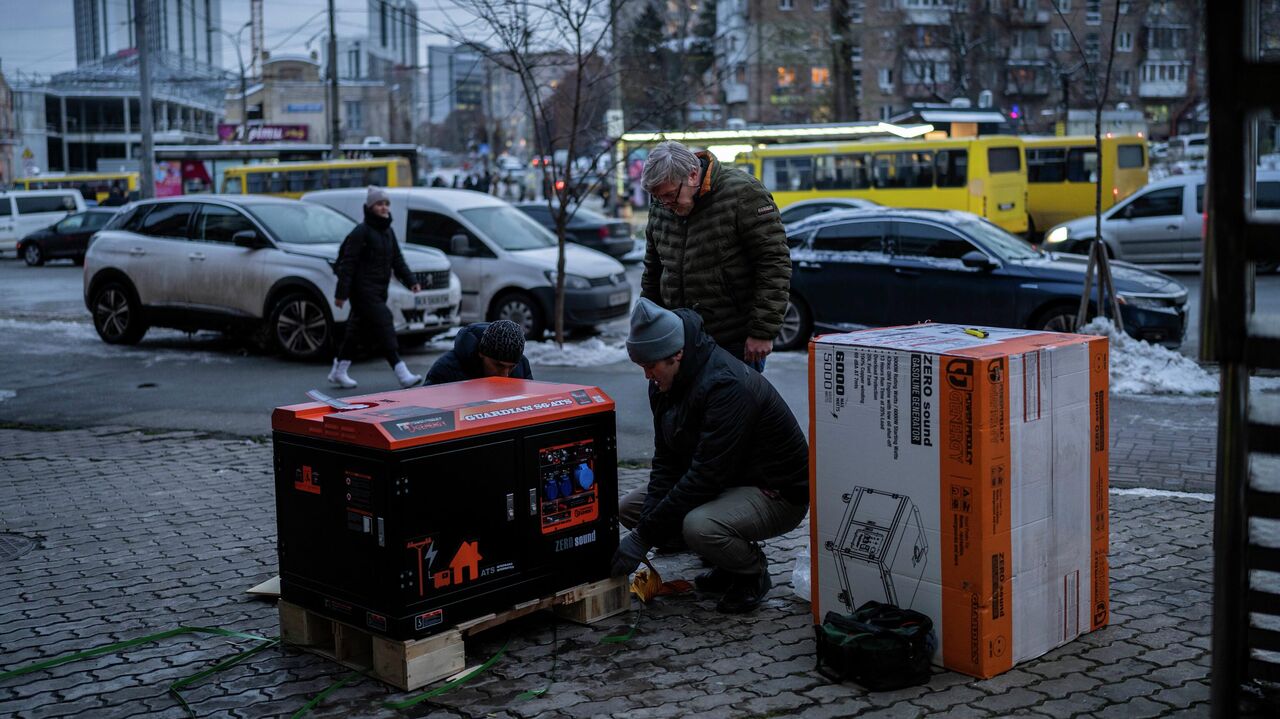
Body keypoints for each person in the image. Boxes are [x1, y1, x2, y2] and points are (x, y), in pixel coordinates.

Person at [610, 298, 809, 614]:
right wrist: (645, 528)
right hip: (728, 480)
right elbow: (666, 460)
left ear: (676, 355)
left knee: (698, 525)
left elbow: (706, 476)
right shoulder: (664, 383)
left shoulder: (726, 386)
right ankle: (725, 562)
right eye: (642, 367)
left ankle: (751, 572)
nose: (647, 375)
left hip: (776, 492)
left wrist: (644, 538)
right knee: (630, 510)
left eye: (650, 367)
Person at [639, 140, 792, 372]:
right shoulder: (662, 205)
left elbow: (773, 263)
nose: (665, 204)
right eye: (659, 198)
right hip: (679, 337)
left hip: (733, 340)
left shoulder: (744, 193)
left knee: (732, 407)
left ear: (692, 175)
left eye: (670, 195)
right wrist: (647, 327)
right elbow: (653, 271)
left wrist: (762, 331)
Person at [327, 186, 424, 390]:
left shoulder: (388, 232)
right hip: (362, 290)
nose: (384, 207)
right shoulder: (361, 232)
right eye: (379, 204)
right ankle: (401, 372)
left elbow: (397, 260)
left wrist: (411, 281)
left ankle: (339, 370)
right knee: (384, 321)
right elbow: (348, 264)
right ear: (370, 207)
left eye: (386, 204)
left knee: (355, 330)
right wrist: (341, 294)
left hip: (379, 289)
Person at [425, 320, 533, 385]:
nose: (505, 375)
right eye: (498, 365)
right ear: (481, 353)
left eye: (511, 367)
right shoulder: (446, 369)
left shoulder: (522, 365)